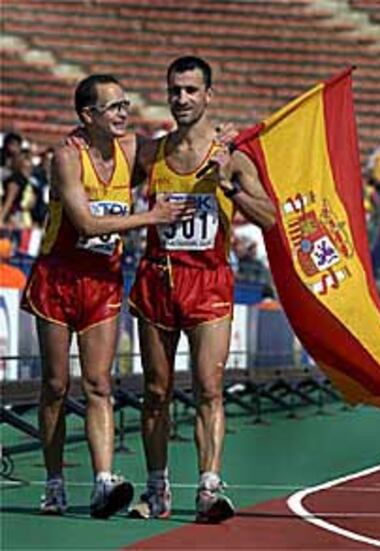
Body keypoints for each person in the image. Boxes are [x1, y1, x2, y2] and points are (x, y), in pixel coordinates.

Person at [20, 74, 194, 518]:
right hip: (58, 278)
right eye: (113, 106)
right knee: (56, 385)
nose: (123, 113)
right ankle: (54, 483)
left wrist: (221, 135)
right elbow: (86, 225)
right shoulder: (66, 156)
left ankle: (103, 481)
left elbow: (179, 145)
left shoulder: (131, 149)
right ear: (87, 115)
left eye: (125, 104)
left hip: (103, 280)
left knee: (99, 384)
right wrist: (149, 216)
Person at [127, 56, 276, 523]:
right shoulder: (149, 153)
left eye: (191, 90)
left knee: (209, 388)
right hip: (157, 277)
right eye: (175, 90)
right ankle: (157, 490)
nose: (182, 99)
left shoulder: (233, 155)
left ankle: (209, 489)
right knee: (155, 390)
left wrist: (228, 186)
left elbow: (270, 217)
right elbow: (104, 188)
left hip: (208, 281)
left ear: (209, 95)